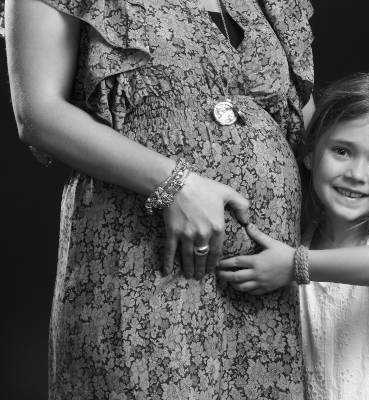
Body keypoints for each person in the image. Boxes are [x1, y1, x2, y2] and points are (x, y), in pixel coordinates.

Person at [3, 0, 318, 397]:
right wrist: (175, 184)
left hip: (263, 287)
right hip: (146, 264)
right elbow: (38, 113)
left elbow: (313, 138)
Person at [218, 73, 369, 399]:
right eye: (342, 151)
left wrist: (296, 265)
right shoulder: (304, 238)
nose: (356, 174)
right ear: (311, 153)